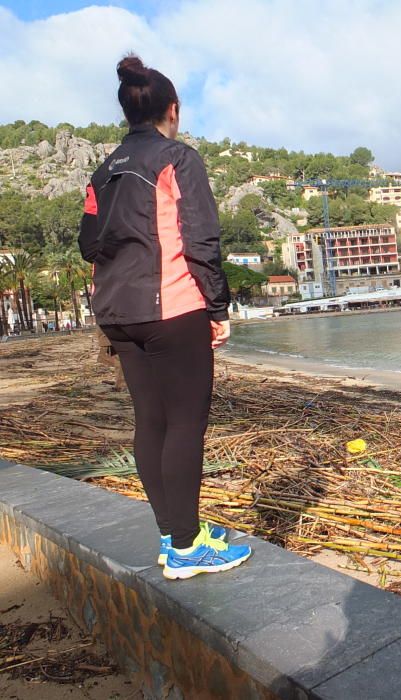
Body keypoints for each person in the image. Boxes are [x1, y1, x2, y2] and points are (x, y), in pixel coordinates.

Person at [79, 54, 250, 579]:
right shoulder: (179, 159)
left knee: (150, 420)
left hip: (117, 311)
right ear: (171, 110)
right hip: (171, 307)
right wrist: (217, 308)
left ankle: (176, 531)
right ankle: (185, 547)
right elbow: (201, 239)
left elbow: (89, 244)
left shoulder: (102, 171)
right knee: (184, 423)